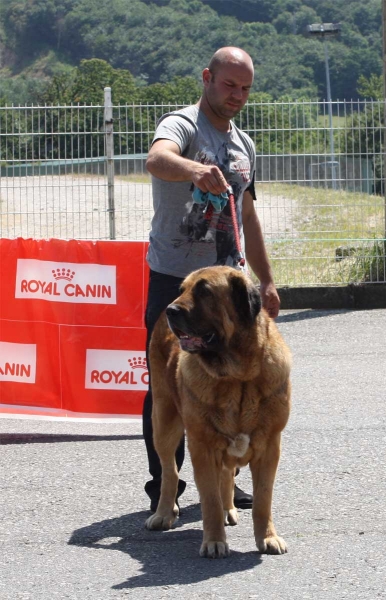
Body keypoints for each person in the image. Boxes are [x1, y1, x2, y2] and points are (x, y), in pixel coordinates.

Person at [143, 46, 281, 513]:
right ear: (207, 77)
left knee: (232, 385)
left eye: (245, 88)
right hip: (175, 281)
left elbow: (248, 213)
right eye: (229, 85)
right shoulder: (181, 125)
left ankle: (224, 478)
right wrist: (195, 168)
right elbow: (157, 159)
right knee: (168, 387)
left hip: (226, 291)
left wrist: (266, 280)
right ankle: (166, 485)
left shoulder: (244, 144)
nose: (238, 95)